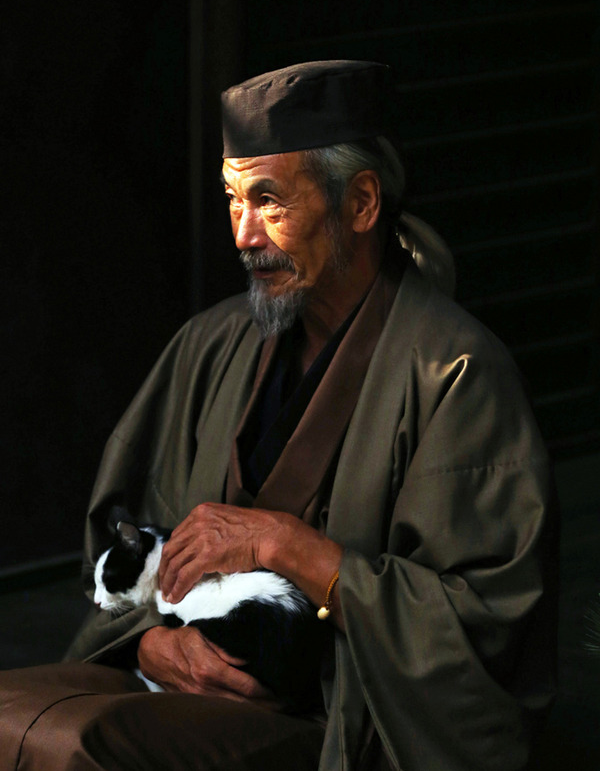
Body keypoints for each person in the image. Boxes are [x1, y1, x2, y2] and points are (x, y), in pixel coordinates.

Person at [0, 60, 557, 771]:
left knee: (79, 746)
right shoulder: (211, 344)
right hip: (170, 678)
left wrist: (288, 547)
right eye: (234, 200)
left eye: (269, 201)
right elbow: (120, 543)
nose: (244, 234)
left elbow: (488, 629)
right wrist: (148, 641)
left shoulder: (455, 374)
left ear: (359, 204)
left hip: (337, 717)